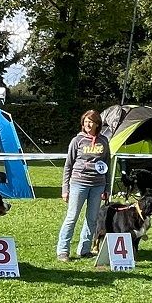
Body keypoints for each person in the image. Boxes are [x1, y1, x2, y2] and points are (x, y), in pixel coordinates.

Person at [56, 109, 111, 262]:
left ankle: (85, 249)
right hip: (78, 183)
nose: (88, 124)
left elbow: (108, 164)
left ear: (97, 124)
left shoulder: (104, 141)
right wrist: (65, 189)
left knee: (92, 219)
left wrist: (107, 188)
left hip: (98, 185)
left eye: (91, 121)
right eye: (86, 121)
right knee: (71, 217)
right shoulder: (77, 140)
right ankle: (63, 251)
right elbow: (68, 165)